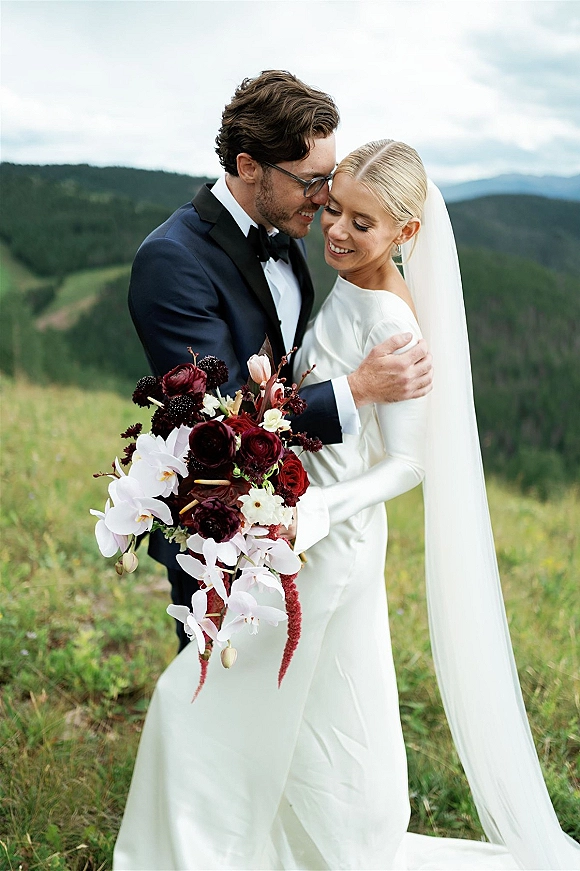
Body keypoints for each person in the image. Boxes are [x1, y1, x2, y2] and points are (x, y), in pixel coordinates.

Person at [113, 141, 579, 869]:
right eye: (333, 207)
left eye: (363, 222)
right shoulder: (346, 283)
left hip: (328, 540)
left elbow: (409, 463)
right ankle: (296, 838)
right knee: (313, 704)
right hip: (291, 525)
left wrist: (323, 509)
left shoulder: (395, 326)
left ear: (406, 234)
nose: (336, 229)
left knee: (200, 694)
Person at [127, 70, 432, 650]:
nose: (325, 203)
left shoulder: (285, 229)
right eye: (313, 182)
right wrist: (358, 389)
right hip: (218, 512)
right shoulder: (171, 259)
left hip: (296, 508)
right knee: (213, 668)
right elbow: (219, 414)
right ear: (249, 168)